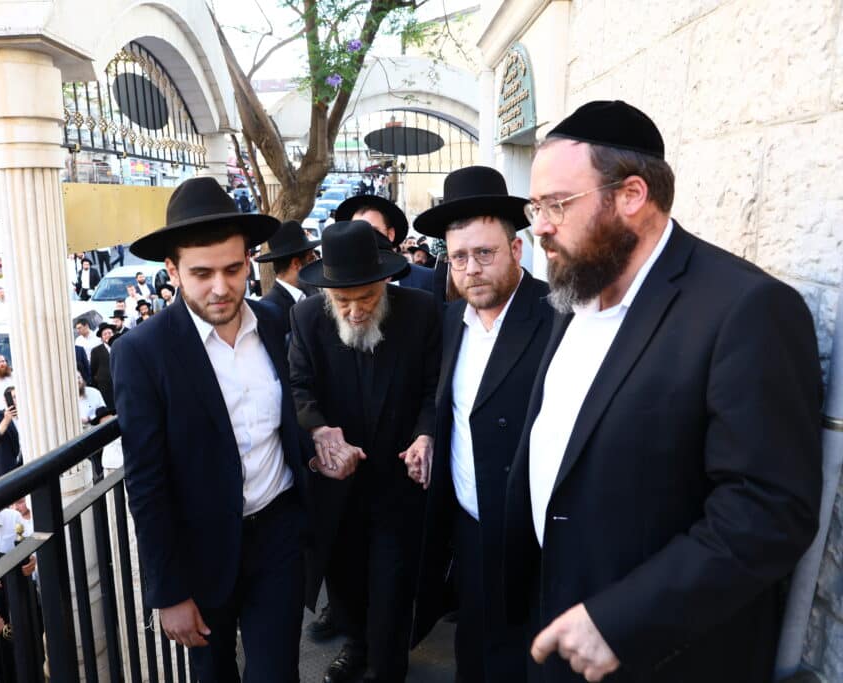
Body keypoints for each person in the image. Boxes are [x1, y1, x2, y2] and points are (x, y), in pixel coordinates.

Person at [502, 100, 823, 683]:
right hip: (555, 626)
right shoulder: (577, 294)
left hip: (658, 653)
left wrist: (623, 622)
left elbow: (768, 512)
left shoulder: (745, 309)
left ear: (631, 195)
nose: (540, 225)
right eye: (535, 207)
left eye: (557, 204)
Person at [111, 176, 308, 682]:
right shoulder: (142, 352)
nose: (221, 287)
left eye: (233, 269)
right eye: (201, 273)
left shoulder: (276, 323)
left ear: (249, 261)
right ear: (172, 270)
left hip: (279, 536)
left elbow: (297, 411)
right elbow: (146, 481)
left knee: (277, 673)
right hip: (200, 553)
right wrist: (168, 591)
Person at [409, 166, 551, 682]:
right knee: (473, 656)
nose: (471, 269)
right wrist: (427, 434)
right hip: (467, 527)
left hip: (532, 538)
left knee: (525, 662)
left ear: (516, 250)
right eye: (459, 257)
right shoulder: (449, 322)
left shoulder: (558, 318)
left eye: (485, 253)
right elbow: (443, 401)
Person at [289, 220, 441, 683]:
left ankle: (388, 667)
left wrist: (425, 435)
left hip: (398, 479)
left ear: (385, 283)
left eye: (367, 299)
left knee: (392, 586)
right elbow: (298, 387)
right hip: (339, 482)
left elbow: (434, 388)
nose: (355, 312)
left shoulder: (420, 311)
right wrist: (319, 430)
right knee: (346, 580)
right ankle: (356, 646)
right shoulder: (307, 318)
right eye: (343, 302)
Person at [336, 194, 435, 293]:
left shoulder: (426, 278)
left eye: (373, 230)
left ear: (390, 234)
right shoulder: (340, 279)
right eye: (356, 231)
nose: (363, 238)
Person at [256, 220, 321, 330]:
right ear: (296, 264)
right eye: (311, 259)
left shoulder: (313, 293)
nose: (315, 265)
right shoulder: (268, 310)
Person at [90, 323, 116, 409]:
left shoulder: (119, 346)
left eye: (110, 333)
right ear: (101, 338)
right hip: (105, 387)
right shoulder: (95, 351)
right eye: (105, 334)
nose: (108, 335)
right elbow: (93, 370)